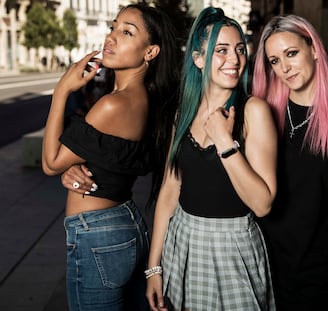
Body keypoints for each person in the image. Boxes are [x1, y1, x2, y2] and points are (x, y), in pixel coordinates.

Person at [41, 3, 179, 310]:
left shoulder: (114, 104)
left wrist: (61, 91)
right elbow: (109, 157)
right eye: (113, 27)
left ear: (151, 52)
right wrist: (73, 165)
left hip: (98, 234)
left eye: (127, 32)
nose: (112, 38)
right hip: (121, 223)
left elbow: (50, 163)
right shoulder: (142, 100)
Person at [145, 7, 278, 311]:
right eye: (221, 51)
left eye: (240, 49)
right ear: (197, 59)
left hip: (232, 247)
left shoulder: (253, 111)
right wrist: (154, 268)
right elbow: (169, 192)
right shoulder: (184, 113)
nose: (234, 59)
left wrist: (224, 142)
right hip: (183, 242)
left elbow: (263, 203)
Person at [252, 14, 328, 311]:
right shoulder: (263, 113)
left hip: (316, 266)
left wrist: (321, 240)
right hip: (262, 255)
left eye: (291, 53)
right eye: (275, 61)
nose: (284, 67)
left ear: (314, 49)